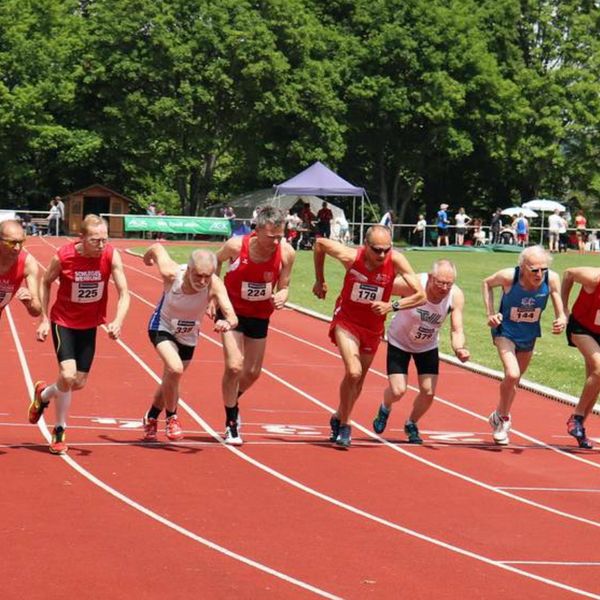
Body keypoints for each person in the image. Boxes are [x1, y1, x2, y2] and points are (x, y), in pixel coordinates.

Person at [312, 225, 426, 448]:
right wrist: (319, 279)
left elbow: (420, 295)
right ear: (366, 246)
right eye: (376, 250)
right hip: (347, 321)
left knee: (359, 380)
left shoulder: (396, 261)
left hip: (373, 328)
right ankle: (345, 425)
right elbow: (319, 244)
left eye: (386, 249)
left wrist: (391, 305)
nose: (382, 255)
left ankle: (338, 415)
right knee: (352, 372)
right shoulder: (350, 256)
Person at [28, 215, 130, 455]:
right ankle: (60, 430)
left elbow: (125, 292)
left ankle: (43, 394)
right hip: (63, 321)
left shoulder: (110, 255)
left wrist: (118, 321)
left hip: (89, 325)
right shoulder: (64, 256)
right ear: (82, 237)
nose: (101, 245)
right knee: (68, 374)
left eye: (105, 239)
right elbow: (45, 282)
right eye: (96, 240)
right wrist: (44, 318)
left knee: (77, 383)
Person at [215, 206, 295, 445]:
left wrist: (283, 294)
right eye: (271, 237)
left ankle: (233, 400)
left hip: (260, 314)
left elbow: (285, 285)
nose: (275, 242)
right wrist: (214, 295)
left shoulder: (287, 253)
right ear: (257, 230)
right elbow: (214, 263)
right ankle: (231, 423)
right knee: (234, 366)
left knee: (252, 373)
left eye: (280, 236)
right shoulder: (236, 246)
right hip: (232, 311)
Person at [142, 244, 237, 442]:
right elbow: (157, 247)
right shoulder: (171, 273)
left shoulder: (215, 284)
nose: (202, 281)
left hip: (188, 335)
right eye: (198, 276)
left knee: (171, 377)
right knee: (175, 369)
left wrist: (225, 322)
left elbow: (232, 316)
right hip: (162, 327)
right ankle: (172, 418)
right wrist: (147, 259)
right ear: (189, 269)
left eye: (207, 276)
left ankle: (151, 416)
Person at [373, 260, 470, 443]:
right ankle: (385, 408)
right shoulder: (413, 283)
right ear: (431, 277)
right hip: (399, 340)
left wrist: (459, 348)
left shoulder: (455, 296)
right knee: (398, 390)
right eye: (440, 282)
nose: (444, 288)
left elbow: (457, 329)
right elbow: (383, 290)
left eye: (449, 283)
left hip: (427, 345)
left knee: (428, 391)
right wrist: (380, 321)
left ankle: (411, 423)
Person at [482, 245, 566, 445]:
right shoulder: (509, 277)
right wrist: (490, 314)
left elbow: (557, 298)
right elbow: (486, 283)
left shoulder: (551, 278)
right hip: (505, 331)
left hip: (529, 334)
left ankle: (500, 415)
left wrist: (561, 317)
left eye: (543, 269)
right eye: (534, 270)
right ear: (523, 266)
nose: (539, 274)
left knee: (514, 382)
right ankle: (503, 419)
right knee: (512, 374)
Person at [561, 267, 600, 449]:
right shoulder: (593, 278)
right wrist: (563, 309)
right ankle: (576, 417)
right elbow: (568, 273)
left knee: (595, 379)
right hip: (581, 328)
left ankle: (579, 426)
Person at [0, 219, 41, 320]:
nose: (17, 248)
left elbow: (37, 311)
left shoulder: (28, 264)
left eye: (21, 242)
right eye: (12, 243)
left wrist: (29, 303)